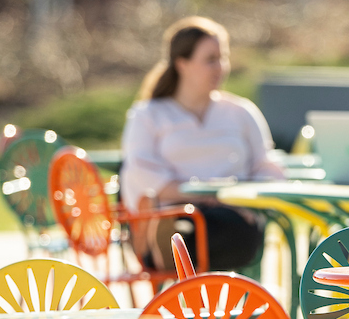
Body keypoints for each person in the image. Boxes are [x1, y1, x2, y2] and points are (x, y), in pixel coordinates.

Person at [121, 16, 283, 271]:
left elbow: (265, 165)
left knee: (237, 229)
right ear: (182, 64)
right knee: (186, 222)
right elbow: (143, 176)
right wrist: (208, 196)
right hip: (171, 213)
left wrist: (250, 199)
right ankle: (168, 245)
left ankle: (177, 251)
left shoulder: (241, 112)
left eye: (223, 58)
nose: (220, 67)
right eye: (210, 59)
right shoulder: (148, 115)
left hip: (231, 214)